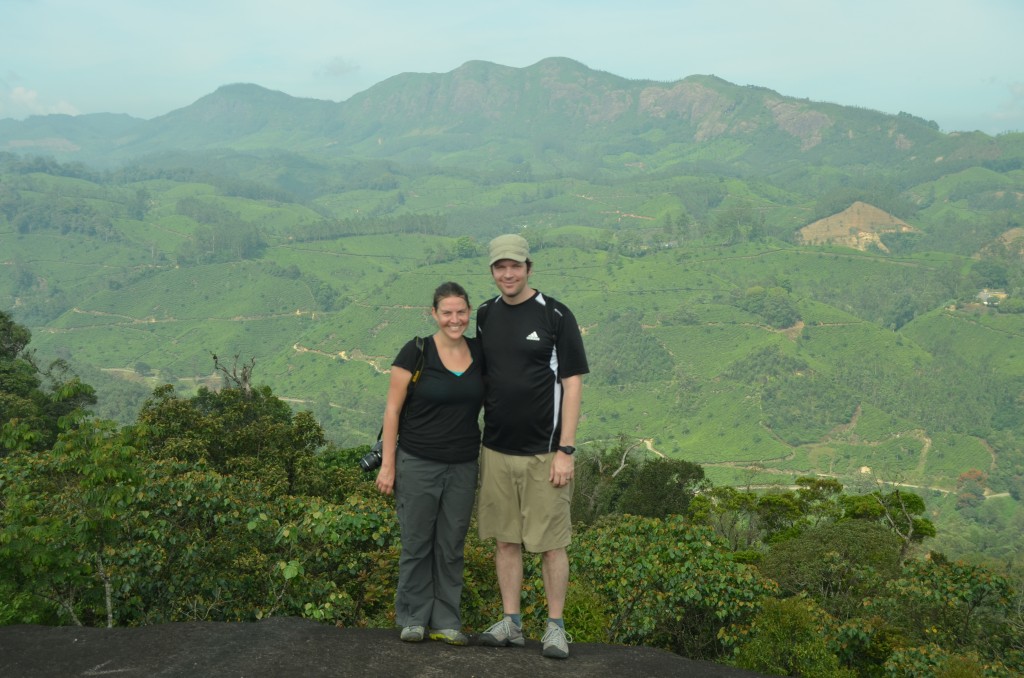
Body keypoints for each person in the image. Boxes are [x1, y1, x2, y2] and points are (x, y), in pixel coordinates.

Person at [474, 234, 589, 660]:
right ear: (491, 271)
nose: (508, 273)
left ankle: (556, 627)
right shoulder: (485, 314)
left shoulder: (556, 315)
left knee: (551, 542)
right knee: (506, 540)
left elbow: (572, 384)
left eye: (515, 266)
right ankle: (511, 621)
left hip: (545, 452)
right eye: (500, 266)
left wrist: (566, 449)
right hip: (497, 448)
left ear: (529, 268)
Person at [375, 282, 484, 646]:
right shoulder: (416, 351)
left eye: (461, 311)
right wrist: (387, 465)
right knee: (417, 542)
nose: (455, 319)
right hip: (418, 461)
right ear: (434, 314)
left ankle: (447, 619)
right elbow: (391, 410)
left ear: (469, 312)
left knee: (451, 544)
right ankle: (413, 616)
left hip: (463, 464)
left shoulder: (480, 352)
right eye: (447, 312)